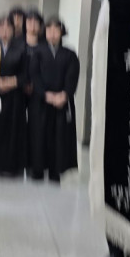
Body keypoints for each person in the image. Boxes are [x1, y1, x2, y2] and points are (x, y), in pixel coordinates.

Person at [29, 16, 79, 182]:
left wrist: (64, 94)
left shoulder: (70, 54)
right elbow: (34, 76)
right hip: (41, 101)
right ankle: (37, 169)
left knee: (59, 137)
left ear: (62, 32)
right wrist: (46, 95)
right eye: (49, 30)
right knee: (39, 135)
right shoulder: (37, 52)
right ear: (44, 32)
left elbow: (72, 77)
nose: (52, 33)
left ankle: (55, 170)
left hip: (62, 102)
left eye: (56, 30)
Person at [0, 15, 28, 177]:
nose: (4, 31)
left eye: (8, 27)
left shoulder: (22, 47)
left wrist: (12, 82)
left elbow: (27, 73)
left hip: (15, 96)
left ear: (13, 30)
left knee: (13, 131)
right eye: (1, 27)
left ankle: (12, 166)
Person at [23, 9, 46, 179]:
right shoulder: (18, 43)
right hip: (17, 91)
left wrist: (36, 86)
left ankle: (36, 166)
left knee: (37, 130)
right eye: (29, 21)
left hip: (39, 94)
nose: (32, 24)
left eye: (35, 21)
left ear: (40, 25)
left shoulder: (44, 46)